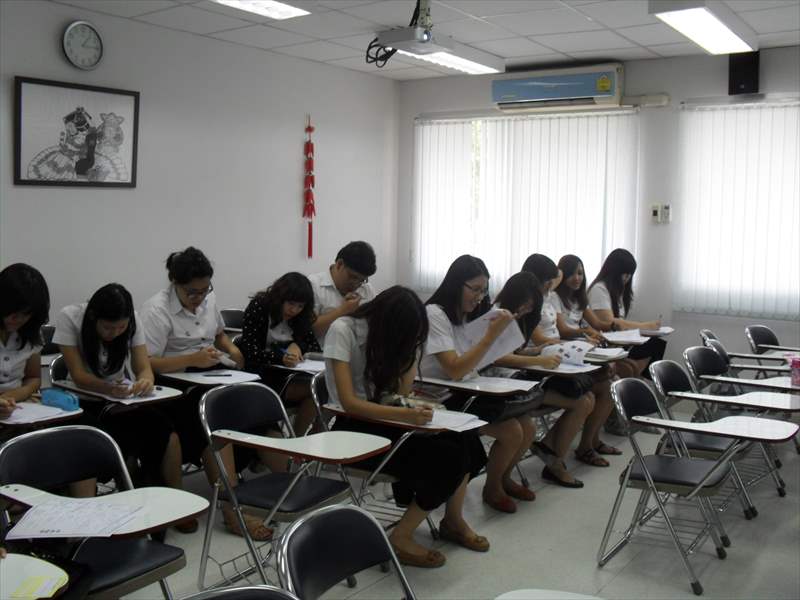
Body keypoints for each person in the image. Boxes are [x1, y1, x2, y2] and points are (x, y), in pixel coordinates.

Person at [325, 286, 488, 568]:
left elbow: (401, 391)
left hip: (386, 417)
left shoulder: (391, 339)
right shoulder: (343, 330)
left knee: (467, 440)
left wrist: (410, 353)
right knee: (447, 456)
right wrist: (405, 416)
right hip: (352, 428)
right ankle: (401, 537)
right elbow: (350, 403)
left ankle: (453, 520)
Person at [141, 247, 269, 540]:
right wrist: (191, 359)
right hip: (171, 385)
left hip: (209, 374)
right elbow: (146, 362)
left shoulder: (209, 300)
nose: (199, 297)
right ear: (175, 283)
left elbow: (220, 334)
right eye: (192, 292)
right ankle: (232, 508)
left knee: (252, 402)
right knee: (214, 418)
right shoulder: (155, 310)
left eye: (204, 290)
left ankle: (264, 483)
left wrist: (233, 350)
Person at [52, 283, 196, 532]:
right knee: (89, 439)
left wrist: (145, 381)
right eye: (108, 328)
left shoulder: (133, 320)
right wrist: (106, 388)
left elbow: (143, 367)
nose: (115, 333)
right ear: (94, 317)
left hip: (120, 401)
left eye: (121, 328)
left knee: (165, 430)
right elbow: (78, 375)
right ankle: (86, 524)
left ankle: (177, 503)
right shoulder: (70, 317)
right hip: (82, 401)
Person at [420, 255, 535, 513]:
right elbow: (454, 368)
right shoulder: (435, 314)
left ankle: (503, 479)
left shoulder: (465, 315)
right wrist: (490, 337)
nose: (480, 297)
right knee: (512, 431)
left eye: (484, 291)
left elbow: (472, 364)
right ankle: (492, 488)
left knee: (527, 426)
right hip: (436, 396)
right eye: (475, 289)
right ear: (456, 284)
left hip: (464, 389)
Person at [522, 254, 620, 476]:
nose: (551, 285)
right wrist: (577, 343)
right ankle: (555, 461)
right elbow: (542, 340)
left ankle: (583, 445)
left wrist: (583, 340)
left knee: (608, 386)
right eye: (548, 281)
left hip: (555, 357)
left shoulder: (547, 297)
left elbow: (563, 333)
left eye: (581, 273)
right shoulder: (530, 302)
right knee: (586, 399)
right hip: (539, 366)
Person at [240, 272, 321, 467]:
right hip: (259, 374)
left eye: (300, 306)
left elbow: (313, 346)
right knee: (313, 390)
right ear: (279, 297)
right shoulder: (259, 306)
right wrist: (279, 358)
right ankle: (286, 448)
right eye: (291, 304)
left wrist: (297, 345)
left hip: (287, 374)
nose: (294, 310)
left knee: (317, 391)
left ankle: (296, 442)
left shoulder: (301, 316)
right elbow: (249, 351)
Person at [588, 248, 666, 380]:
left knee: (656, 344)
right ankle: (631, 380)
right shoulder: (599, 289)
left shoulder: (618, 291)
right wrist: (646, 326)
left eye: (630, 274)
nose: (627, 278)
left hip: (617, 341)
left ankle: (640, 380)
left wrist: (644, 330)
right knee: (645, 352)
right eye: (625, 274)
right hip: (604, 343)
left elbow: (621, 323)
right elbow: (610, 323)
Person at [0, 263, 49, 419]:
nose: (18, 319)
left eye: (26, 313)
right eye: (12, 311)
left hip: (18, 406)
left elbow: (33, 378)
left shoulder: (31, 332)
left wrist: (14, 395)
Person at [309, 241, 376, 344]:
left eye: (362, 280)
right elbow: (308, 331)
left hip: (360, 352)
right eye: (352, 277)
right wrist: (342, 311)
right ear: (339, 264)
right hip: (323, 353)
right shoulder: (313, 285)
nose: (356, 284)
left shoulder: (366, 289)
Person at [552, 254, 607, 343]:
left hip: (579, 341)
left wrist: (614, 325)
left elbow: (597, 324)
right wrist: (587, 332)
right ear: (562, 276)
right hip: (564, 342)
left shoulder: (579, 298)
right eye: (571, 274)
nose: (576, 278)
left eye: (580, 273)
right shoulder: (554, 296)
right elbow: (563, 331)